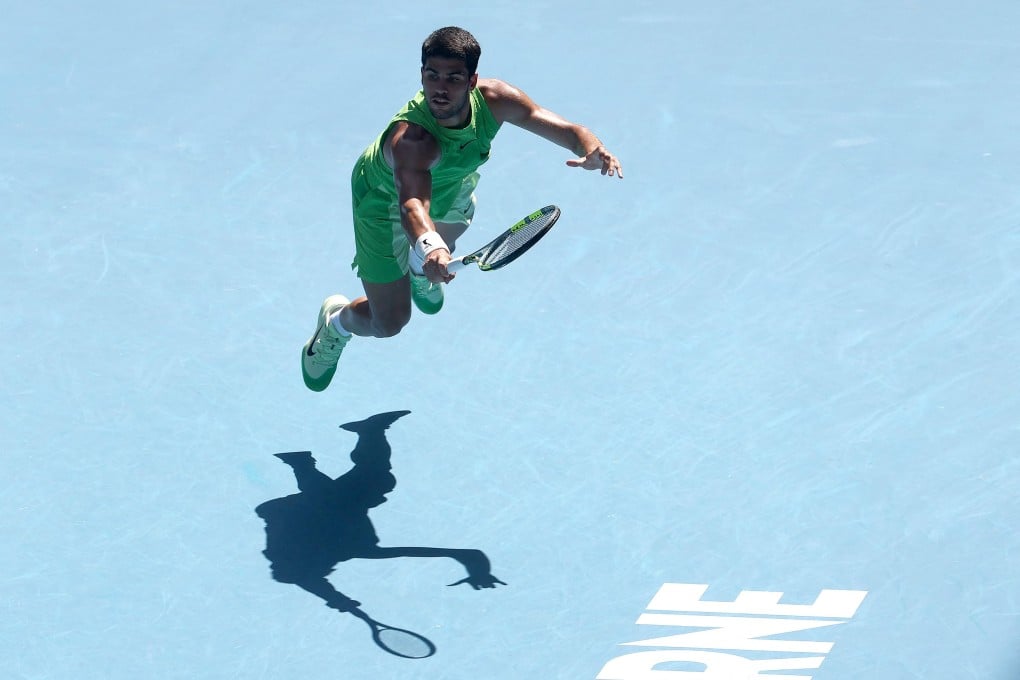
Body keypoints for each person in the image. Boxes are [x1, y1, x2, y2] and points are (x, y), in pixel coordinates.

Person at [302, 26, 623, 392]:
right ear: (421, 75)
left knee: (453, 222)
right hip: (384, 201)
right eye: (431, 76)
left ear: (472, 81)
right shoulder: (412, 141)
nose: (439, 88)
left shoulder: (496, 99)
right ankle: (336, 325)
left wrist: (591, 147)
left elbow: (567, 130)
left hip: (448, 184)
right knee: (389, 323)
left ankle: (420, 271)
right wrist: (430, 246)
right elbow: (410, 205)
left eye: (453, 78)